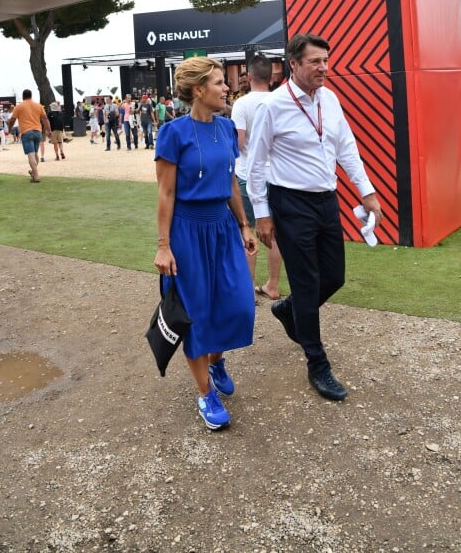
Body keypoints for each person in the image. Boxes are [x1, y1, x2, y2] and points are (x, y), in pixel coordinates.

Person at [246, 33, 382, 402]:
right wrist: (262, 214)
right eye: (314, 62)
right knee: (307, 283)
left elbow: (347, 149)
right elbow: (255, 164)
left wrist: (367, 192)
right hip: (289, 202)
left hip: (326, 200)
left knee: (333, 276)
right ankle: (317, 362)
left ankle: (290, 310)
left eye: (325, 60)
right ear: (293, 64)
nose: (323, 68)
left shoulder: (331, 99)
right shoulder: (272, 106)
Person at [153, 57, 256, 431]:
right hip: (187, 232)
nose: (226, 88)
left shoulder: (227, 129)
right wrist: (164, 245)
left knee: (239, 304)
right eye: (218, 83)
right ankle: (205, 392)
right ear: (199, 90)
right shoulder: (173, 133)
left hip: (223, 227)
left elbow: (230, 182)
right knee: (194, 314)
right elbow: (165, 195)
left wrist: (244, 225)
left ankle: (216, 359)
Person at [231, 53, 283, 300]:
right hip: (277, 175)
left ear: (249, 76)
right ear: (271, 77)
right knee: (274, 232)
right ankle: (272, 285)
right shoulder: (280, 100)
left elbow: (238, 141)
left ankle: (248, 288)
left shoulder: (242, 104)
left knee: (248, 230)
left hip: (247, 173)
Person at [8, 89, 52, 182]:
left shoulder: (19, 107)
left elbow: (12, 120)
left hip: (26, 132)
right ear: (31, 96)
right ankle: (33, 172)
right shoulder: (38, 106)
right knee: (35, 154)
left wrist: (9, 128)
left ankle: (36, 176)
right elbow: (45, 119)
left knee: (31, 155)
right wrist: (49, 130)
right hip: (37, 132)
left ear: (23, 96)